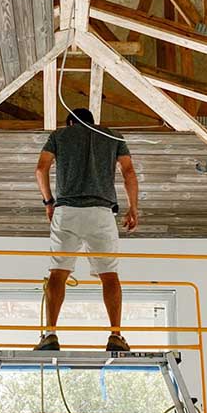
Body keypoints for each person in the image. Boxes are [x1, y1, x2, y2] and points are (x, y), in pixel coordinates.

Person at [34, 108, 139, 352]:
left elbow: (41, 169)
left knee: (58, 272)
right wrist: (133, 208)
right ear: (93, 122)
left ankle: (50, 334)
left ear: (70, 122)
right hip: (101, 213)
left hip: (67, 211)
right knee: (109, 275)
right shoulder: (113, 136)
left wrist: (49, 202)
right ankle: (115, 335)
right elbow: (129, 173)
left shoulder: (60, 136)